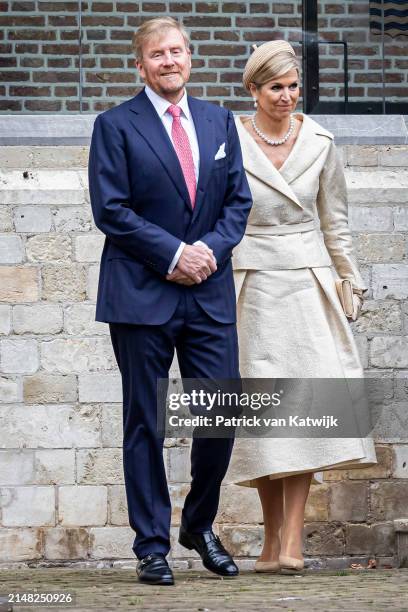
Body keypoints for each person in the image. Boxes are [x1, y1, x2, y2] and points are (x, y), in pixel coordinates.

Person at [88, 17, 252, 585]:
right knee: (146, 424)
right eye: (156, 54)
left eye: (176, 51)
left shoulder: (219, 119)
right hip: (141, 295)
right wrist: (173, 253)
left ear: (190, 58)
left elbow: (238, 203)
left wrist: (204, 250)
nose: (168, 61)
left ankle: (197, 523)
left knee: (220, 414)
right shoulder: (114, 126)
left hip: (208, 293)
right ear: (141, 65)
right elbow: (111, 210)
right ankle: (151, 544)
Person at [225, 40, 377, 574]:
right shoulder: (229, 140)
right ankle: (270, 544)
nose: (287, 97)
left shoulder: (320, 141)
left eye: (293, 87)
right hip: (249, 284)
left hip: (308, 285)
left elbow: (335, 221)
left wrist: (349, 279)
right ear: (253, 90)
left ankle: (291, 543)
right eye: (275, 88)